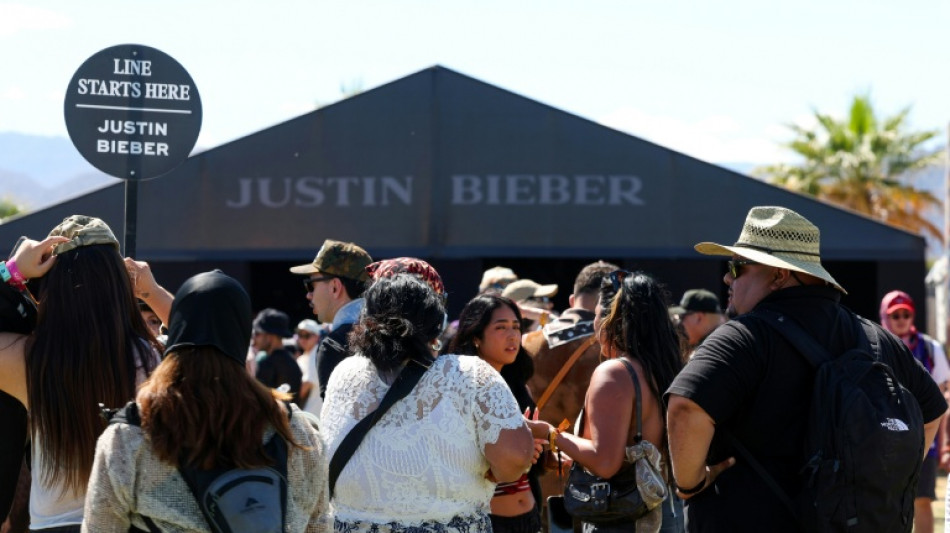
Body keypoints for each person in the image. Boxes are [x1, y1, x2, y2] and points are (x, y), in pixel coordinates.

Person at [665, 206, 947, 532]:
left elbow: (685, 406)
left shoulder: (743, 337)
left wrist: (691, 482)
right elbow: (932, 411)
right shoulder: (877, 339)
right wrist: (881, 477)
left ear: (779, 275)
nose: (727, 277)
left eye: (738, 266)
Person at [82, 270, 329, 532]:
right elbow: (319, 525)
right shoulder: (297, 432)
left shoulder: (131, 436)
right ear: (244, 335)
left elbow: (100, 526)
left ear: (175, 330)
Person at [320, 273, 535, 533]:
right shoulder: (470, 373)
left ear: (367, 319)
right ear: (434, 324)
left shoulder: (344, 372)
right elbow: (514, 460)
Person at [0, 215, 163, 532]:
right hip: (134, 523)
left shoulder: (28, 359)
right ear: (120, 283)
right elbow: (212, 346)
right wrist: (152, 292)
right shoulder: (151, 357)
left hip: (53, 526)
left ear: (49, 286)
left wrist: (12, 272)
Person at [528, 271, 685, 533]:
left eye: (598, 314)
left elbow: (605, 462)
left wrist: (550, 433)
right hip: (665, 510)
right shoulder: (663, 369)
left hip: (623, 517)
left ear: (615, 319)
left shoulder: (615, 373)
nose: (594, 323)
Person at [522, 260, 618, 503]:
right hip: (598, 486)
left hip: (536, 483)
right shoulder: (614, 347)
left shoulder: (523, 345)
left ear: (573, 301)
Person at [450, 293, 546, 533]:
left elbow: (531, 464)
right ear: (475, 337)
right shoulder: (459, 386)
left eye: (516, 327)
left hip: (529, 518)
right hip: (485, 522)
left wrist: (544, 455)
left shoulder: (518, 386)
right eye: (501, 327)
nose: (513, 335)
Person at [879, 290, 950, 533]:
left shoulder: (930, 348)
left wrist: (943, 446)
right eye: (895, 314)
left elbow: (943, 398)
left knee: (922, 500)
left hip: (924, 438)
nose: (901, 319)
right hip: (886, 436)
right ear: (885, 316)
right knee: (884, 500)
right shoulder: (875, 345)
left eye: (905, 314)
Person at [290, 239, 372, 399]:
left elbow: (335, 421)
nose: (308, 295)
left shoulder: (333, 345)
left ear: (335, 287)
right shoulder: (394, 331)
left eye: (311, 285)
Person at [252, 308, 303, 401]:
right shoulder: (292, 362)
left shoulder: (267, 365)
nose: (254, 339)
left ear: (271, 336)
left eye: (257, 333)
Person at [668, 289, 725, 357]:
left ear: (698, 318)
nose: (679, 322)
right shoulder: (723, 339)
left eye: (682, 317)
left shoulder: (711, 351)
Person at [296, 318, 324, 417]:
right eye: (300, 335)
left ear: (317, 337)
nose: (302, 339)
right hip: (309, 413)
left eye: (306, 335)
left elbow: (305, 387)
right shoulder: (303, 358)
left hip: (313, 414)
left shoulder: (316, 354)